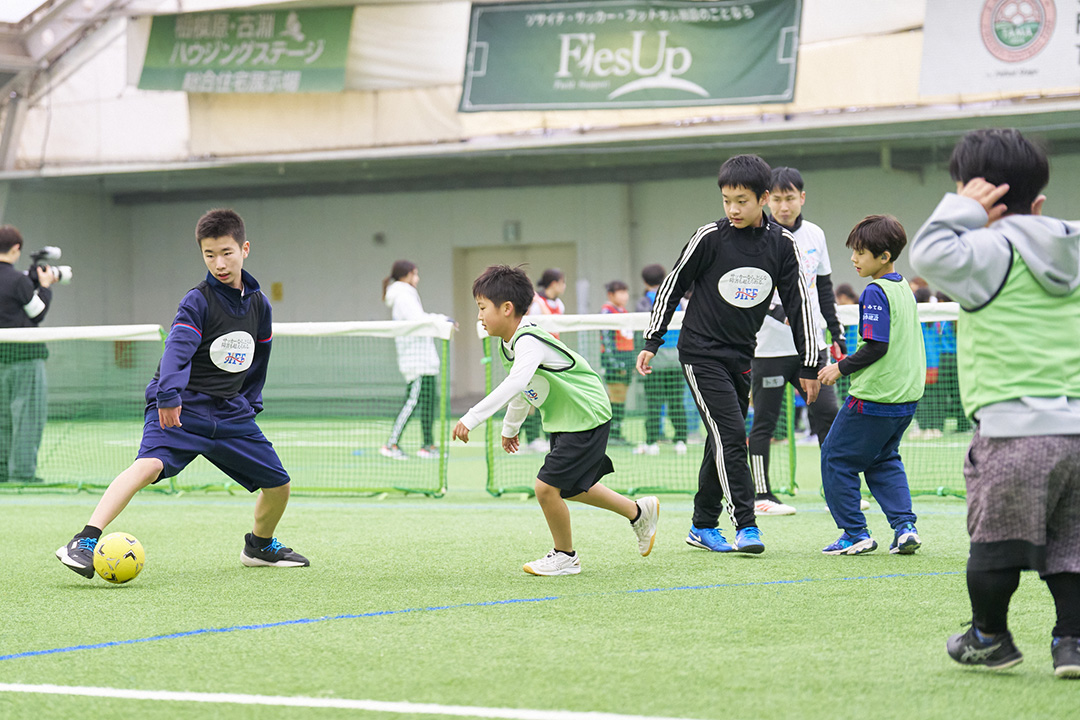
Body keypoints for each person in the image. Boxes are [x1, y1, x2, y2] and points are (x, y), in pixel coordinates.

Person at [910, 127, 1080, 678]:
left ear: (974, 193)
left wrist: (959, 210)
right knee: (1072, 544)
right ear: (1040, 199)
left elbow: (928, 254)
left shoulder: (986, 248)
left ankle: (990, 637)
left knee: (996, 540)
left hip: (1012, 429)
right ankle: (1071, 644)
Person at [55, 209, 308, 577]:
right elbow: (177, 350)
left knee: (278, 485)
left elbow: (258, 358)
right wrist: (169, 396)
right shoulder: (198, 301)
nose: (219, 263)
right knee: (149, 466)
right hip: (181, 407)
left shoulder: (259, 305)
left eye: (226, 252)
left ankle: (259, 546)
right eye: (209, 255)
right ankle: (85, 540)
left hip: (230, 413)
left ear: (245, 249)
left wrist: (251, 403)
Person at [639, 154, 819, 555]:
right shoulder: (710, 238)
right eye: (726, 200)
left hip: (741, 357)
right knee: (733, 434)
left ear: (764, 198)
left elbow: (800, 303)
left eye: (742, 200)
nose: (733, 209)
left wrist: (811, 361)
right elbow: (671, 286)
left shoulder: (782, 245)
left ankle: (702, 524)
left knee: (720, 438)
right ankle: (746, 524)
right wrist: (653, 339)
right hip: (699, 352)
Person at [453, 265, 659, 576]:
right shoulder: (509, 344)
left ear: (506, 309)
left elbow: (515, 384)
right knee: (571, 487)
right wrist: (511, 428)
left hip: (587, 414)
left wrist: (471, 418)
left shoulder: (528, 340)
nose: (479, 317)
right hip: (568, 419)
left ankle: (565, 556)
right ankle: (638, 512)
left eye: (482, 308)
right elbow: (526, 387)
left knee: (546, 488)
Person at [818, 215, 924, 556]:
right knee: (883, 459)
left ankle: (854, 532)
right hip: (906, 398)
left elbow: (877, 345)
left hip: (875, 397)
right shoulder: (903, 287)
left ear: (884, 256)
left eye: (861, 252)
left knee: (836, 458)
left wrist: (840, 368)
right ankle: (905, 527)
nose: (854, 258)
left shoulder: (875, 292)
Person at [748, 167, 844, 516]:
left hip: (812, 346)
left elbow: (825, 288)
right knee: (765, 422)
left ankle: (837, 489)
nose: (783, 206)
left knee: (828, 416)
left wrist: (836, 332)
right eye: (776, 199)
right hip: (769, 349)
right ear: (766, 200)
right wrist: (782, 313)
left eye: (790, 198)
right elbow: (757, 291)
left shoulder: (816, 234)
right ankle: (762, 495)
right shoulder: (758, 237)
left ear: (801, 198)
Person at [0, 226, 55, 484]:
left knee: (2, 417)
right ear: (16, 249)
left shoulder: (18, 280)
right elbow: (37, 313)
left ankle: (2, 472)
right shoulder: (18, 280)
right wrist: (44, 286)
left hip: (2, 359)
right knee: (27, 417)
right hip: (25, 358)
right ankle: (22, 473)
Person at [380, 260, 448, 460]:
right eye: (416, 274)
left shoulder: (408, 294)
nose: (417, 279)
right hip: (415, 360)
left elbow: (421, 316)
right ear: (407, 275)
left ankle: (427, 445)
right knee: (412, 401)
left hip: (425, 360)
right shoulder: (402, 295)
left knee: (428, 403)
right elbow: (418, 321)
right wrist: (440, 321)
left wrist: (442, 320)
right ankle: (391, 444)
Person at [635, 264, 688, 456]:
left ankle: (651, 442)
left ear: (644, 281)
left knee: (654, 401)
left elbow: (639, 330)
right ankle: (681, 441)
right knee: (676, 400)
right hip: (676, 358)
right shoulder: (678, 299)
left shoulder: (643, 303)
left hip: (653, 358)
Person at [521, 268, 567, 452]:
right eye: (563, 282)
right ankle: (531, 438)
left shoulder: (560, 305)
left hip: (553, 356)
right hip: (535, 355)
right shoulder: (536, 303)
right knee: (531, 396)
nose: (564, 286)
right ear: (555, 283)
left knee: (549, 398)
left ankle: (543, 436)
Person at [599, 280, 635, 445]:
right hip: (614, 360)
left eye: (625, 292)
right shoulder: (607, 312)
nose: (624, 296)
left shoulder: (624, 311)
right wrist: (615, 362)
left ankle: (617, 432)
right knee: (615, 396)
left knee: (621, 397)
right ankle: (612, 434)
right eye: (620, 292)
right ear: (611, 295)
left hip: (627, 358)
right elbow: (607, 339)